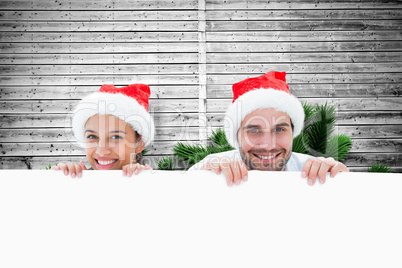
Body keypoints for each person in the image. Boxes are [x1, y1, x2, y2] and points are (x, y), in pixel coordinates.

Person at [189, 71, 349, 186]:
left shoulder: (316, 173)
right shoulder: (210, 168)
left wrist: (343, 185)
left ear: (293, 132)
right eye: (254, 130)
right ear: (236, 135)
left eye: (279, 129)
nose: (268, 145)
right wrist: (201, 181)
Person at [51, 84, 155, 178]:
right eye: (92, 136)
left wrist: (143, 180)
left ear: (139, 144)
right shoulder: (74, 182)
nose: (101, 151)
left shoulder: (152, 183)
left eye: (116, 137)